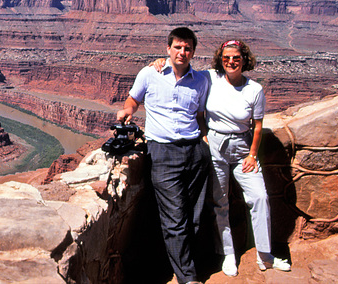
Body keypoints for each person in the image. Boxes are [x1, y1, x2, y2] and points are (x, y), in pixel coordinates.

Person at [152, 39, 291, 276]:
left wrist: (252, 155)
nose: (231, 61)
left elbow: (258, 126)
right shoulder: (210, 78)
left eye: (236, 57)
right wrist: (160, 62)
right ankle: (227, 254)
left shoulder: (254, 90)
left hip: (242, 148)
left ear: (244, 59)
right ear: (220, 60)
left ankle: (265, 255)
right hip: (214, 147)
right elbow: (183, 71)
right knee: (220, 202)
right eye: (226, 57)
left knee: (260, 197)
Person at [117, 27, 209, 284]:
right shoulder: (150, 73)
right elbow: (133, 100)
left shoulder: (201, 80)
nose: (182, 52)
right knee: (175, 217)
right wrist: (126, 112)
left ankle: (179, 263)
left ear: (193, 51)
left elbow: (200, 116)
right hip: (163, 151)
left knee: (195, 216)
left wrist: (205, 142)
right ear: (168, 49)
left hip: (195, 151)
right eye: (177, 47)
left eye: (187, 48)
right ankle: (188, 278)